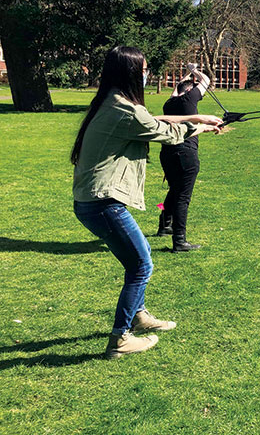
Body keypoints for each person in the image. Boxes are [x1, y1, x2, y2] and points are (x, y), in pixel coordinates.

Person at [72, 46, 222, 359]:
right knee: (142, 264)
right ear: (130, 72)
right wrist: (201, 126)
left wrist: (194, 116)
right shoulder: (123, 108)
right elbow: (162, 131)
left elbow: (150, 118)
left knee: (136, 260)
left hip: (94, 202)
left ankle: (138, 315)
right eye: (143, 68)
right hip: (102, 204)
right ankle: (120, 338)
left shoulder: (113, 101)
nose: (146, 73)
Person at [155, 62, 211, 252]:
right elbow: (206, 80)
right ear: (190, 90)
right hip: (186, 153)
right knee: (182, 197)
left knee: (174, 190)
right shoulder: (190, 99)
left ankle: (164, 224)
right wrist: (194, 70)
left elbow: (177, 87)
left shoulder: (169, 103)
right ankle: (179, 240)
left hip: (167, 153)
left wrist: (187, 73)